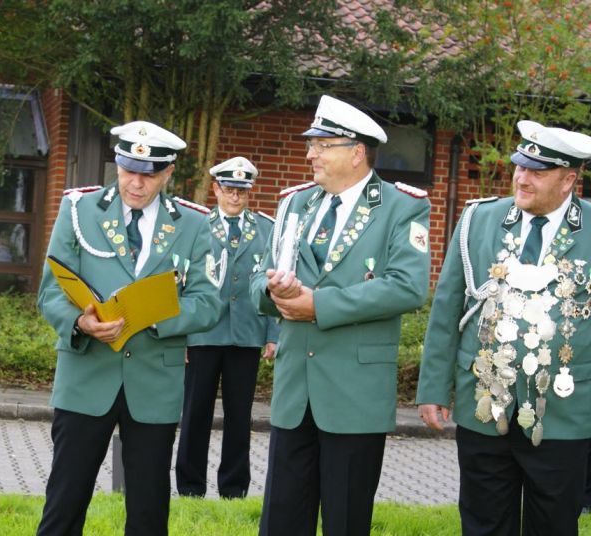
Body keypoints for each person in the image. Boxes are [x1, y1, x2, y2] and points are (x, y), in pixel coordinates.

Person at [250, 94, 431, 535]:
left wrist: (319, 306)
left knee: (346, 521)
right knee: (281, 520)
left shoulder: (401, 207)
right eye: (311, 145)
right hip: (295, 392)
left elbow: (407, 286)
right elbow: (260, 276)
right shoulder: (296, 204)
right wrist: (273, 291)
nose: (310, 154)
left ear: (356, 152)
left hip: (355, 394)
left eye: (322, 145)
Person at [36, 120, 223, 536]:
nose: (135, 184)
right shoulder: (78, 210)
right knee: (65, 499)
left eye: (149, 175)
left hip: (154, 381)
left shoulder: (194, 224)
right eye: (127, 170)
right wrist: (80, 322)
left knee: (148, 507)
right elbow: (50, 292)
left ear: (168, 173)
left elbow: (208, 302)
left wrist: (153, 316)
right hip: (86, 375)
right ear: (117, 164)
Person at [417, 120, 591, 535]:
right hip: (484, 402)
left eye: (537, 172)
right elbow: (447, 308)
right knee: (483, 523)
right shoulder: (479, 218)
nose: (522, 178)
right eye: (520, 166)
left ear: (568, 180)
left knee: (553, 524)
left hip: (565, 411)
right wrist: (434, 388)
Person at [175, 156, 279, 499]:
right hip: (202, 333)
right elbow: (181, 282)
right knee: (195, 413)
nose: (235, 197)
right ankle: (190, 487)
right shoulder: (197, 226)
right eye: (230, 189)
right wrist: (181, 333)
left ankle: (234, 489)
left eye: (242, 191)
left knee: (240, 415)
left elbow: (272, 283)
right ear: (217, 189)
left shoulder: (265, 229)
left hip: (246, 334)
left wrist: (273, 334)